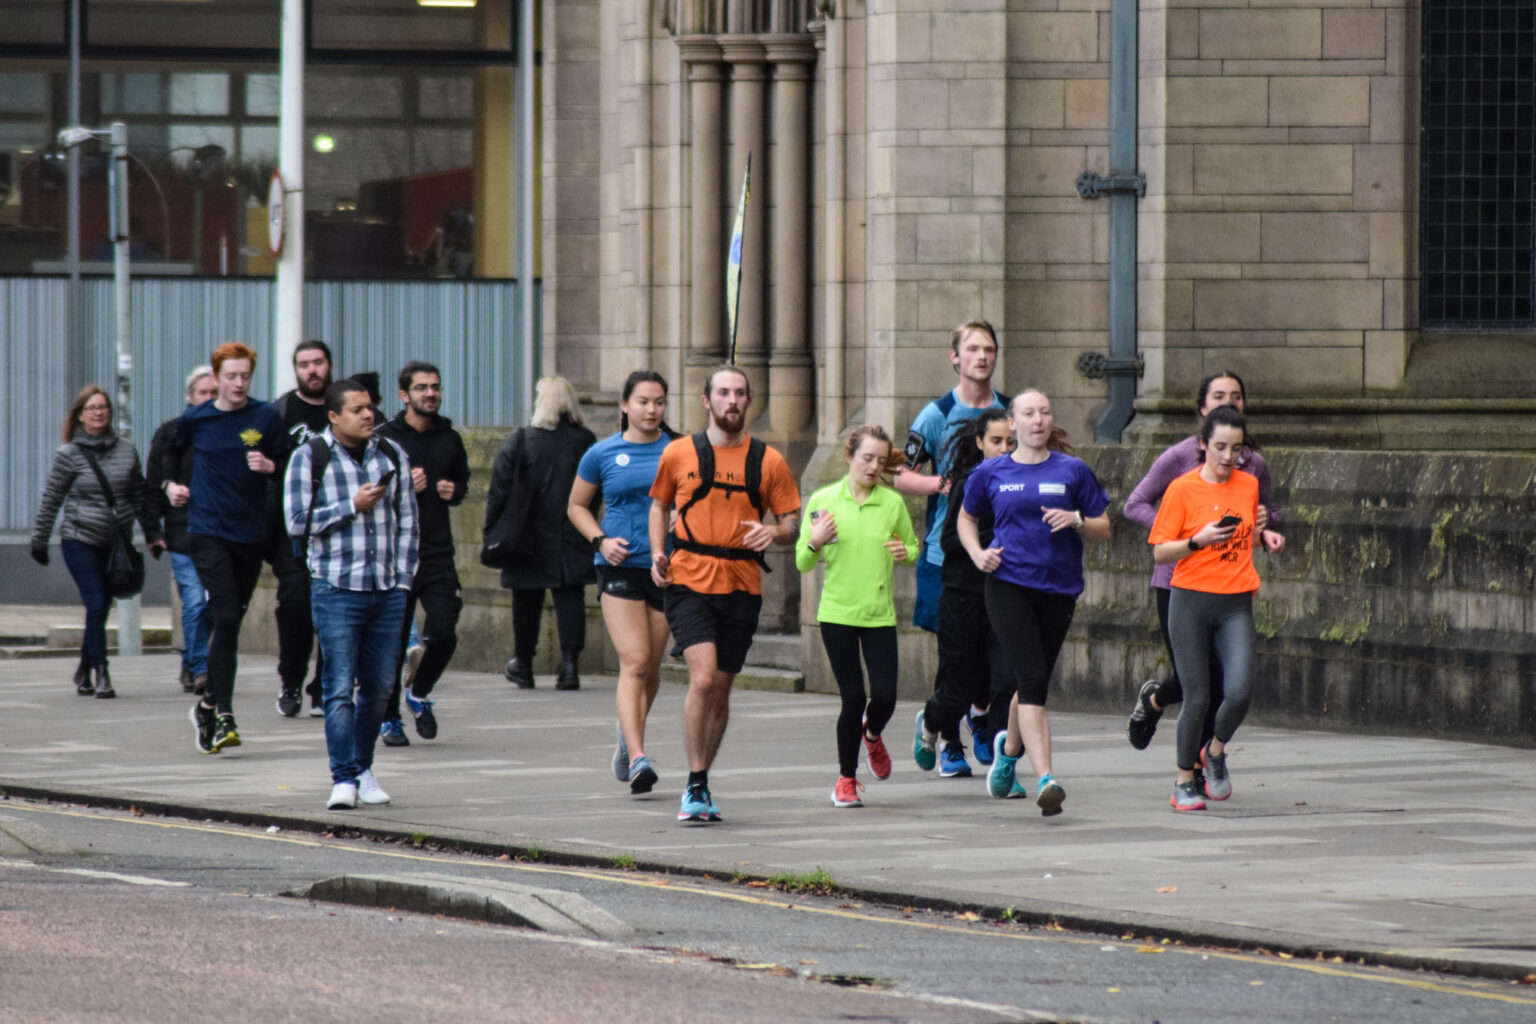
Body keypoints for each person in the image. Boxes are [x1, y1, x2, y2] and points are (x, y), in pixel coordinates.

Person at [648, 365, 800, 824]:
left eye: (740, 394)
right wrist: (658, 552)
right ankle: (695, 782)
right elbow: (658, 505)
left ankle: (703, 778)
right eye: (724, 393)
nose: (732, 400)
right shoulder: (678, 453)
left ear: (748, 402)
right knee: (705, 678)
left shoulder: (768, 460)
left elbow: (793, 523)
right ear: (705, 400)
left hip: (742, 584)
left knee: (723, 687)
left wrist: (772, 533)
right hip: (688, 577)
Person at [959, 389, 1110, 817]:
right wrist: (977, 553)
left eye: (1044, 412)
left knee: (1032, 681)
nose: (1038, 420)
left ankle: (1006, 755)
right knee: (1033, 677)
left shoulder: (1072, 471)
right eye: (1028, 413)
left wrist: (1077, 519)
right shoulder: (991, 473)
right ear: (1013, 422)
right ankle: (1046, 778)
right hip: (1007, 583)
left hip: (1058, 589)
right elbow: (966, 518)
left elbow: (1104, 528)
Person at [1122, 372, 1283, 755]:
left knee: (1225, 679)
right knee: (1196, 680)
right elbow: (1134, 504)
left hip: (1229, 585)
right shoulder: (1179, 458)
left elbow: (1264, 515)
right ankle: (1158, 706)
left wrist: (1265, 529)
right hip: (1178, 580)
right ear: (1202, 409)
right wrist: (1180, 534)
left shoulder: (1253, 465)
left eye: (1236, 396)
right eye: (1218, 395)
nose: (1228, 401)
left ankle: (1204, 759)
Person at [285, 379, 418, 810]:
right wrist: (351, 506)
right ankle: (343, 776)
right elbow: (296, 522)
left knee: (380, 687)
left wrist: (402, 579)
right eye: (358, 409)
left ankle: (362, 766)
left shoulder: (392, 454)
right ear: (333, 416)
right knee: (338, 687)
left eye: (370, 408)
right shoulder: (310, 457)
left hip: (386, 588)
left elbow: (408, 523)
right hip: (336, 587)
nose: (368, 415)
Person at [894, 319, 1009, 766]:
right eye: (973, 349)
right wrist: (939, 485)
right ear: (955, 357)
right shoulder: (938, 413)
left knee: (989, 651)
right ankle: (948, 739)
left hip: (1000, 554)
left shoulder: (1009, 412)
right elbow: (900, 471)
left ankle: (979, 717)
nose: (982, 356)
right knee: (954, 652)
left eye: (989, 349)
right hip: (946, 556)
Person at [1148, 405, 1274, 811]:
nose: (1227, 457)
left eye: (1236, 449)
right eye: (1219, 446)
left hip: (1236, 602)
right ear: (1203, 444)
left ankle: (1215, 751)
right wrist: (1197, 541)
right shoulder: (1182, 489)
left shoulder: (1248, 484)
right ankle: (1183, 779)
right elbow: (1160, 552)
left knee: (1239, 691)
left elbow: (1245, 539)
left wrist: (1264, 537)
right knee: (1197, 696)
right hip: (1190, 601)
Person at [168, 342, 289, 755]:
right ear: (216, 378)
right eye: (231, 376)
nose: (238, 383)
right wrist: (171, 485)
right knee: (223, 613)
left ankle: (205, 705)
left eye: (245, 376)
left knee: (231, 622)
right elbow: (170, 451)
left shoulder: (265, 417)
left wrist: (272, 467)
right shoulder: (197, 419)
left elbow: (289, 461)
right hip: (207, 531)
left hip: (250, 534)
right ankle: (224, 714)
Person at [568, 370, 677, 795]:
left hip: (665, 567)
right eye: (644, 402)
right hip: (618, 565)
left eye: (659, 402)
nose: (652, 410)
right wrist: (599, 538)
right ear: (625, 405)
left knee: (651, 666)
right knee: (633, 660)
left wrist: (678, 517)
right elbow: (576, 505)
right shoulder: (602, 453)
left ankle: (625, 735)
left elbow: (693, 503)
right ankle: (638, 757)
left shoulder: (680, 450)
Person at [797, 426, 917, 808]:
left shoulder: (892, 503)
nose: (874, 466)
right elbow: (803, 561)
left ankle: (873, 734)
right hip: (837, 613)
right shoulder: (823, 499)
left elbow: (913, 547)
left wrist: (904, 552)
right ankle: (846, 780)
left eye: (881, 461)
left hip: (879, 614)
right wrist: (815, 539)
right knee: (853, 697)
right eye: (867, 458)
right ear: (849, 456)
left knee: (885, 696)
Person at [30, 386, 165, 699]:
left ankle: (83, 667)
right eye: (91, 408)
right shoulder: (69, 454)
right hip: (80, 538)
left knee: (101, 608)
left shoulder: (125, 450)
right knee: (96, 602)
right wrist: (39, 538)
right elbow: (52, 498)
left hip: (116, 542)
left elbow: (139, 494)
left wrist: (153, 534)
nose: (98, 412)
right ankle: (101, 672)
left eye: (103, 407)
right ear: (80, 415)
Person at [912, 408, 1016, 778]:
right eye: (996, 441)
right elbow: (951, 539)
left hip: (1008, 597)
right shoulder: (969, 481)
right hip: (963, 594)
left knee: (1006, 681)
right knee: (960, 686)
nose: (1004, 449)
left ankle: (1005, 768)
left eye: (1010, 442)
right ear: (979, 442)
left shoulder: (1024, 482)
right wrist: (987, 548)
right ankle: (931, 724)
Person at [374, 360, 470, 746]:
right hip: (394, 555)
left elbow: (462, 483)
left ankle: (418, 692)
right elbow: (369, 494)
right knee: (393, 640)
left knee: (445, 632)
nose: (430, 394)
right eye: (421, 388)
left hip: (436, 552)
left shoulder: (449, 437)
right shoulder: (384, 439)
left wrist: (453, 491)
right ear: (404, 395)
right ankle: (388, 719)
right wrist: (400, 488)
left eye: (435, 387)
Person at [488, 376, 598, 691]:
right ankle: (569, 665)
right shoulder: (585, 440)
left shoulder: (521, 440)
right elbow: (597, 487)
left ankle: (523, 663)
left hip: (526, 531)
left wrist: (493, 529)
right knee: (570, 595)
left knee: (526, 599)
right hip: (571, 529)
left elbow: (499, 490)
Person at [269, 339, 334, 718]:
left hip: (340, 526)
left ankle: (324, 686)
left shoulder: (344, 407)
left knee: (334, 608)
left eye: (318, 362)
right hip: (291, 531)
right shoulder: (280, 411)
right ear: (296, 369)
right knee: (295, 606)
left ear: (329, 365)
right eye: (304, 364)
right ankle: (290, 680)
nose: (312, 370)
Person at [146, 366, 218, 693]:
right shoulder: (171, 433)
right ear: (190, 397)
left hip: (220, 532)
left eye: (213, 393)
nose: (209, 399)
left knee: (217, 604)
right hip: (183, 532)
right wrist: (153, 531)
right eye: (203, 393)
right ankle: (201, 667)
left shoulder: (228, 432)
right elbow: (153, 483)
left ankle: (191, 659)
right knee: (195, 601)